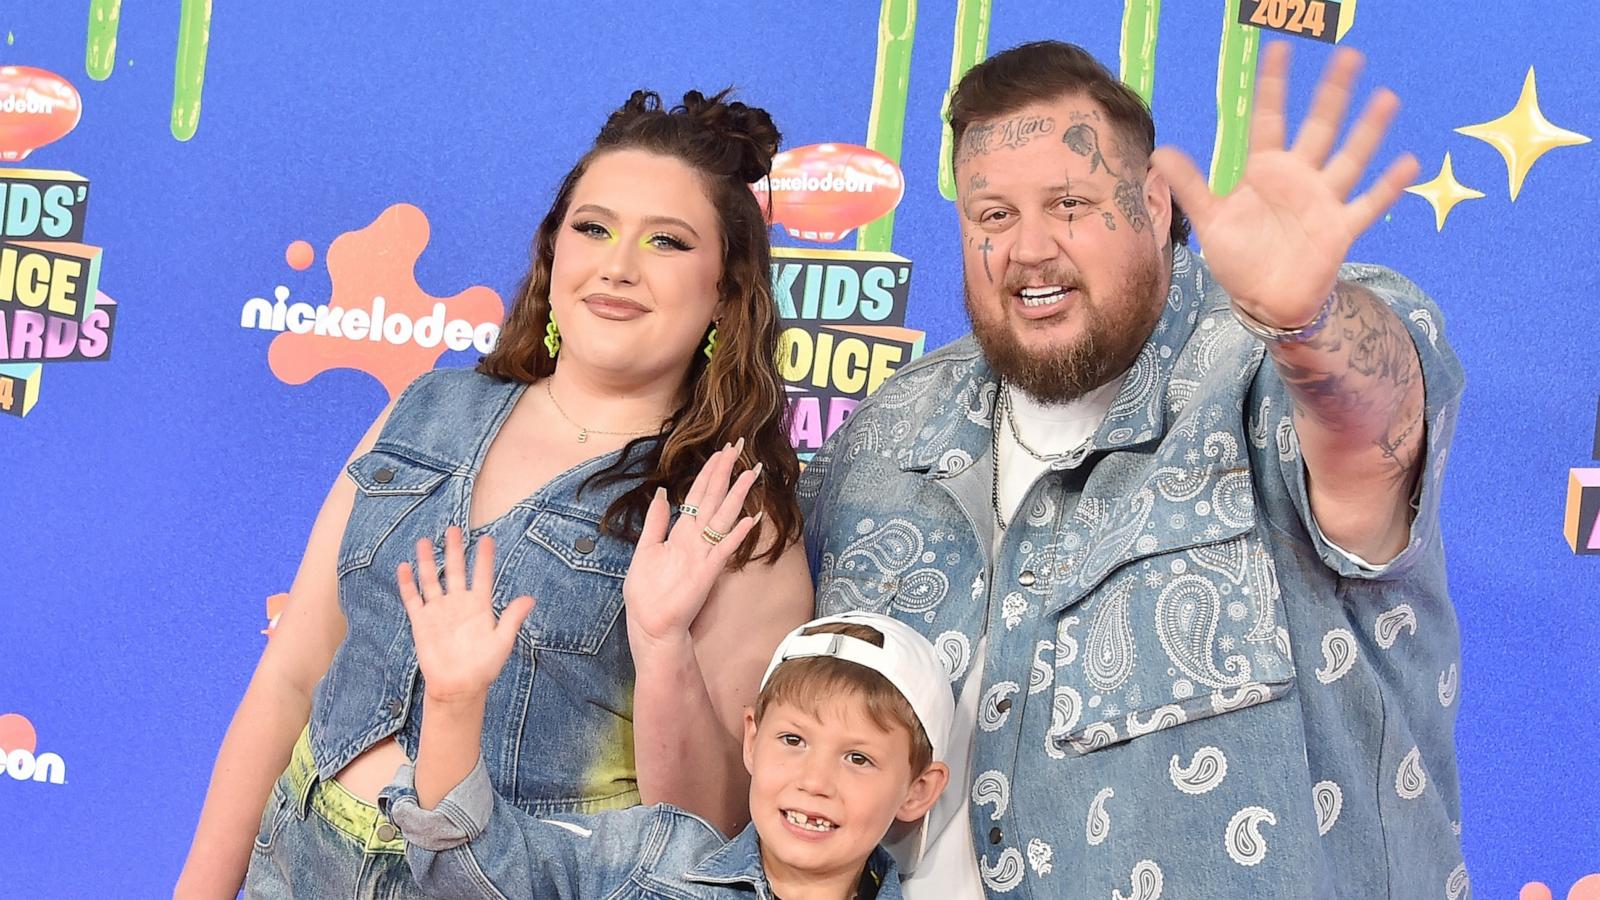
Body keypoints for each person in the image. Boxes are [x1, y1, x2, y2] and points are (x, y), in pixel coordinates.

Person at [798, 40, 1466, 899]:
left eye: (1069, 203)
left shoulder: (1265, 367)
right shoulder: (887, 430)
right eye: (993, 216)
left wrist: (1308, 319)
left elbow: (1370, 428)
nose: (1028, 249)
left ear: (1153, 205)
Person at [176, 89, 815, 897]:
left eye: (667, 241)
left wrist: (663, 645)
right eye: (594, 228)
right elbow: (290, 677)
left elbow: (704, 839)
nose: (618, 264)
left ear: (725, 292)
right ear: (554, 254)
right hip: (295, 871)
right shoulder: (428, 408)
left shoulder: (731, 510)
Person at [376, 517, 952, 900]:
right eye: (793, 741)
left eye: (858, 758)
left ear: (918, 789)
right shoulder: (651, 856)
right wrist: (453, 703)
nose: (814, 781)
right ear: (752, 738)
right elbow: (472, 865)